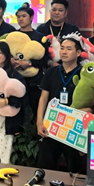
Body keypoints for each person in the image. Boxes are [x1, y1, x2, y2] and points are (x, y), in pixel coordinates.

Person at [36, 35, 84, 172]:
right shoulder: (51, 72)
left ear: (78, 52)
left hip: (73, 128)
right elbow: (43, 98)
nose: (64, 52)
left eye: (69, 49)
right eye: (62, 48)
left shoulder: (84, 74)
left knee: (74, 168)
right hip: (52, 125)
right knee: (45, 165)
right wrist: (39, 122)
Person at [15, 3, 48, 116]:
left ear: (31, 17)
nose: (21, 19)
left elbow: (45, 59)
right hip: (16, 79)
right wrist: (11, 61)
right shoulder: (12, 36)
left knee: (34, 110)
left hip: (35, 81)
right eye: (18, 17)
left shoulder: (40, 37)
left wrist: (29, 63)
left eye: (24, 16)